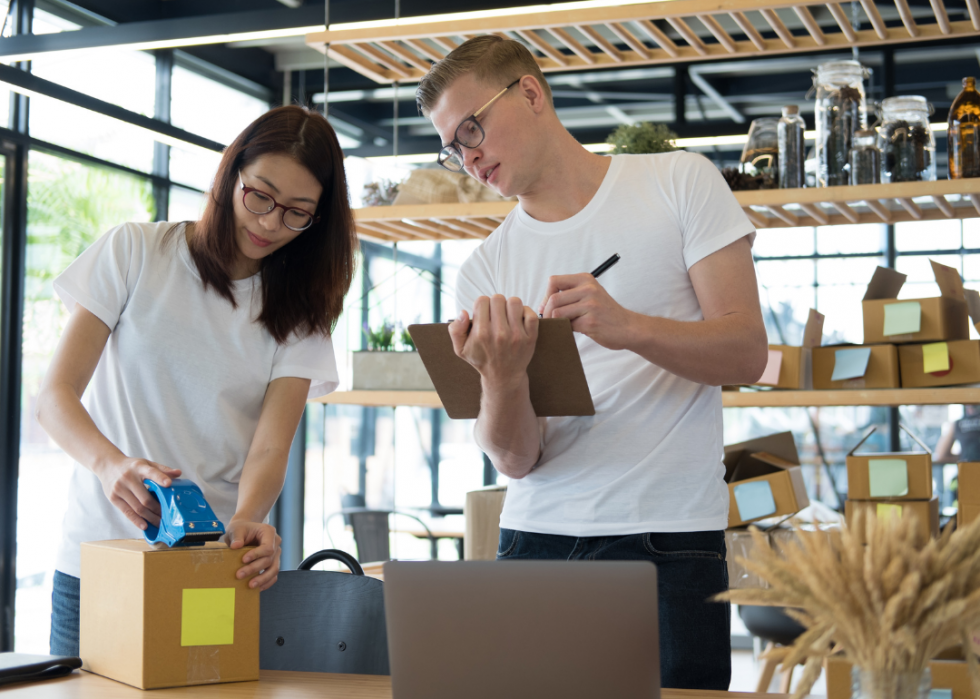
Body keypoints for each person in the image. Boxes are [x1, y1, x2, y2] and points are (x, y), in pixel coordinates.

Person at [417, 37, 767, 689]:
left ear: (529, 92)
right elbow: (518, 458)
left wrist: (627, 326)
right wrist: (501, 375)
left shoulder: (679, 180)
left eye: (472, 128)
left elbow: (746, 348)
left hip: (670, 537)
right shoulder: (484, 269)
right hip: (533, 537)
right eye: (451, 146)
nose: (467, 157)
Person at [35, 105, 357, 656]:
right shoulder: (135, 251)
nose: (269, 224)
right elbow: (54, 397)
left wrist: (249, 518)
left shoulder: (299, 315)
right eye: (260, 196)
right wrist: (112, 465)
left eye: (297, 213)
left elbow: (270, 447)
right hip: (97, 564)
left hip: (208, 569)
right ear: (231, 174)